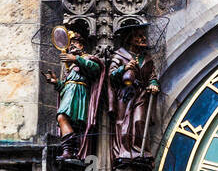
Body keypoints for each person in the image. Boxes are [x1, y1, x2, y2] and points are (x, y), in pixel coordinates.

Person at [44, 28, 104, 161]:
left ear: (81, 45)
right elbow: (66, 86)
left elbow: (95, 69)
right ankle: (70, 150)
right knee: (63, 118)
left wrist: (76, 59)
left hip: (80, 94)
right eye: (70, 43)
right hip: (70, 94)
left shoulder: (86, 58)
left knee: (63, 117)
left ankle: (70, 150)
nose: (71, 45)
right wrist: (56, 83)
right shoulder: (70, 67)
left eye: (75, 43)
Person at [109, 26, 160, 163]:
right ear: (129, 39)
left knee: (139, 121)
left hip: (141, 94)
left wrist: (154, 84)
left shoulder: (146, 58)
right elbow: (111, 75)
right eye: (138, 36)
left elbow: (152, 76)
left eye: (143, 35)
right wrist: (124, 68)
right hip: (125, 94)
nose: (143, 38)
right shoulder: (119, 55)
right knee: (123, 122)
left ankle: (139, 151)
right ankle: (124, 151)